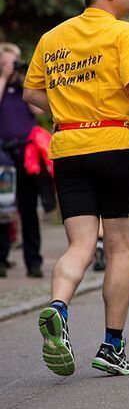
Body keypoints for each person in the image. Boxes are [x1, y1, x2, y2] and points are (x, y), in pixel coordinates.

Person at [24, 0, 129, 376]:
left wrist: (65, 109)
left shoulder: (53, 37)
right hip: (115, 146)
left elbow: (30, 92)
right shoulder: (124, 33)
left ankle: (59, 308)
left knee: (80, 244)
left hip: (68, 150)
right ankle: (112, 346)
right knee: (119, 248)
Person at [0, 42, 45, 278]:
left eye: (14, 61)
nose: (12, 66)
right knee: (3, 209)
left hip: (26, 154)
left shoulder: (23, 87)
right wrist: (3, 78)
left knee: (28, 208)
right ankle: (1, 258)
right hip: (2, 155)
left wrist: (24, 79)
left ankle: (33, 261)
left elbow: (38, 110)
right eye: (7, 62)